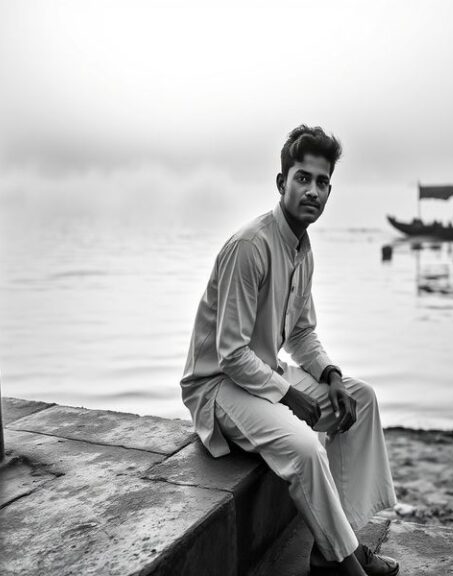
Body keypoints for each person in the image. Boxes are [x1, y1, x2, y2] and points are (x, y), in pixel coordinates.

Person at [180, 125, 398, 576]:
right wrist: (288, 394)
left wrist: (331, 375)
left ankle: (335, 546)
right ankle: (347, 566)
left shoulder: (302, 248)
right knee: (305, 447)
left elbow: (301, 332)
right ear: (282, 183)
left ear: (329, 191)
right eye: (303, 178)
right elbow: (230, 354)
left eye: (321, 182)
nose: (312, 190)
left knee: (361, 399)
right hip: (217, 387)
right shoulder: (250, 246)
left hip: (262, 373)